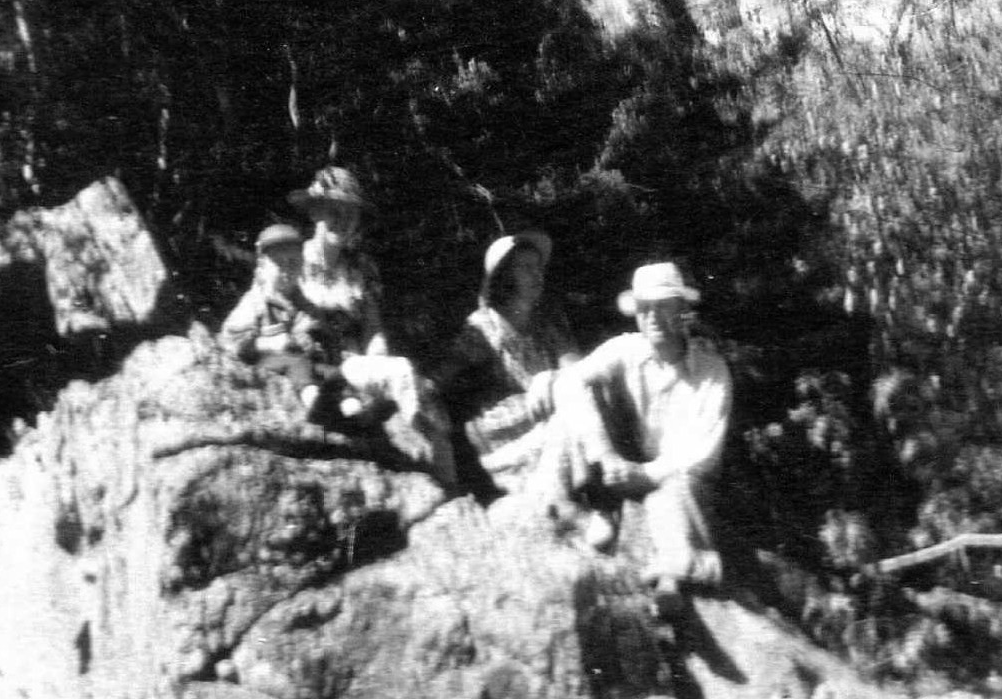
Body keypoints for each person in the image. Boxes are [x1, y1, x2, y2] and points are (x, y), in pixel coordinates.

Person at [569, 259, 731, 590]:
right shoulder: (625, 349)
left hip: (677, 479)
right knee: (578, 405)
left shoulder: (712, 372)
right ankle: (591, 510)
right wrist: (605, 455)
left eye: (663, 306)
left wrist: (645, 475)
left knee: (673, 494)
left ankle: (679, 576)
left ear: (683, 311)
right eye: (644, 308)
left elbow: (700, 456)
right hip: (621, 467)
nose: (652, 316)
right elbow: (571, 382)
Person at [433, 229, 579, 494]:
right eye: (525, 268)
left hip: (547, 407)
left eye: (538, 267)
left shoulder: (547, 322)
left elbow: (577, 369)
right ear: (504, 276)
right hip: (503, 428)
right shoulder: (483, 326)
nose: (537, 275)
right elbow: (443, 380)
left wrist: (553, 379)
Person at [286, 165, 423, 432]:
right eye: (334, 210)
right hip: (306, 366)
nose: (343, 221)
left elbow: (373, 330)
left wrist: (377, 363)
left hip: (350, 370)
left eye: (351, 214)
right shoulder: (291, 262)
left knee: (403, 374)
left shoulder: (362, 269)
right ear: (315, 212)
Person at [218, 220, 324, 392]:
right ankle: (310, 396)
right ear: (262, 265)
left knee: (329, 372)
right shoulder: (255, 302)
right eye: (279, 262)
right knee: (299, 366)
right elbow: (229, 341)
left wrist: (309, 340)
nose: (286, 269)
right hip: (265, 376)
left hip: (302, 371)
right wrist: (269, 343)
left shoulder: (304, 304)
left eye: (293, 262)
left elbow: (316, 330)